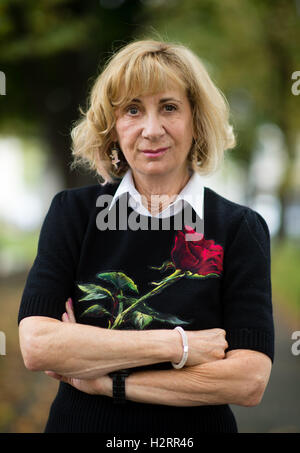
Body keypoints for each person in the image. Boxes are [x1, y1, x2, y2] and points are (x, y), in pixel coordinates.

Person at [18, 39, 274, 434]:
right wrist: (182, 347)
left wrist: (107, 381)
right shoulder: (73, 214)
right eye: (133, 110)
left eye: (169, 107)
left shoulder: (240, 228)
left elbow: (248, 380)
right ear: (113, 125)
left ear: (195, 120)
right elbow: (38, 346)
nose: (151, 130)